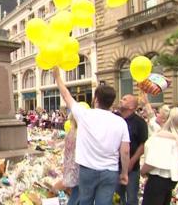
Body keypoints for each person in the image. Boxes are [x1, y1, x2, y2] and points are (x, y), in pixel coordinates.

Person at [53, 67, 130, 205]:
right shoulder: (121, 122)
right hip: (110, 171)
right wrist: (124, 173)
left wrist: (57, 76)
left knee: (85, 201)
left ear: (95, 99)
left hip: (87, 170)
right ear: (112, 102)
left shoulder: (85, 115)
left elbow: (66, 95)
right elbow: (125, 151)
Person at [141, 108, 178, 205]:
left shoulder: (162, 137)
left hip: (158, 178)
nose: (156, 115)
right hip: (169, 179)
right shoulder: (175, 135)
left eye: (159, 114)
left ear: (164, 119)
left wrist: (142, 171)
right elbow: (152, 119)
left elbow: (152, 162)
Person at [116, 94, 148, 205]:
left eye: (124, 99)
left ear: (132, 106)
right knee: (116, 197)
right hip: (115, 166)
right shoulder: (115, 118)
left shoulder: (140, 123)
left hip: (132, 169)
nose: (120, 100)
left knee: (131, 198)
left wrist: (132, 161)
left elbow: (143, 144)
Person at [53, 113, 80, 205]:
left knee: (76, 192)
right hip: (78, 167)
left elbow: (67, 150)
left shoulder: (71, 132)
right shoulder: (79, 133)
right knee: (77, 193)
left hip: (71, 166)